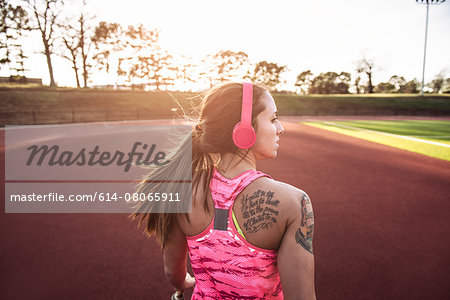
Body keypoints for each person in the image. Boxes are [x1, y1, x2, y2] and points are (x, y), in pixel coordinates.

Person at [132, 82, 316, 299]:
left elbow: (173, 273)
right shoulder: (293, 202)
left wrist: (186, 282)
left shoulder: (181, 188)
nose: (280, 128)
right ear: (244, 130)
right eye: (273, 119)